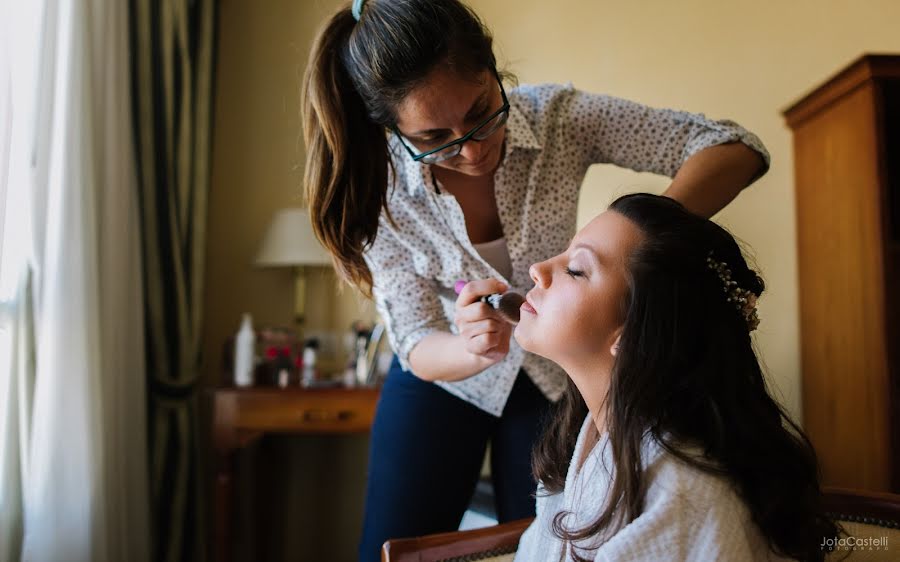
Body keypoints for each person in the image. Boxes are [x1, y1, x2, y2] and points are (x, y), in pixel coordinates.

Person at [300, 1, 770, 559]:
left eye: (481, 111)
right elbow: (414, 337)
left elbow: (734, 147)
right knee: (390, 543)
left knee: (552, 539)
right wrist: (470, 347)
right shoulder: (378, 188)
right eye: (433, 138)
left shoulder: (560, 119)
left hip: (555, 378)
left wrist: (633, 252)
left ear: (495, 69)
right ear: (393, 131)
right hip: (444, 377)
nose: (471, 150)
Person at [513, 193, 840, 561]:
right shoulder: (588, 441)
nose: (537, 269)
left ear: (631, 333)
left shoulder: (682, 494)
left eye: (576, 269)